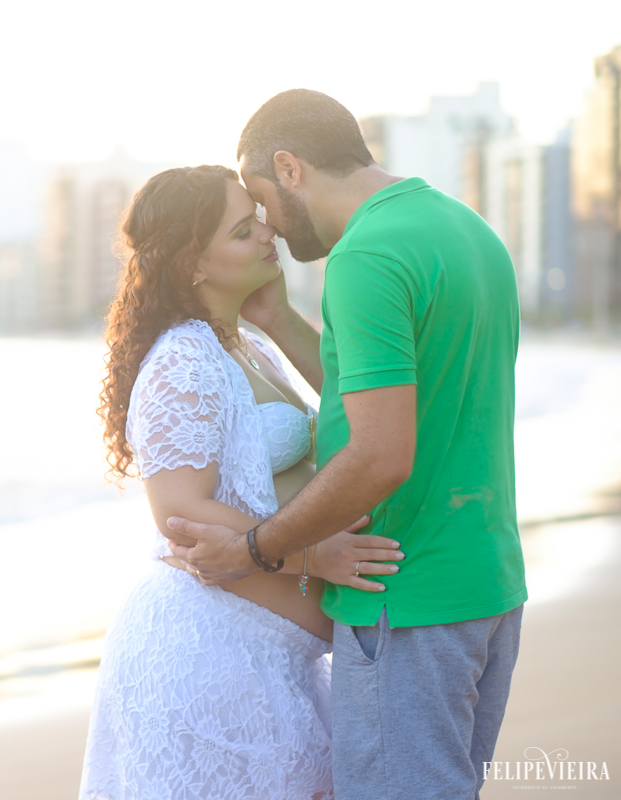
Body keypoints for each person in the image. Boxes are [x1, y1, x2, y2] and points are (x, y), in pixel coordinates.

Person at [165, 90, 526, 800]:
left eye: (262, 200)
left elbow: (380, 453)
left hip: (406, 599)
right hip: (486, 587)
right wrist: (277, 319)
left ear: (289, 167)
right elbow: (383, 390)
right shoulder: (461, 226)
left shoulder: (364, 258)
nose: (266, 222)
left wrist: (255, 549)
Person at [78, 164, 405, 800]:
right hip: (202, 658)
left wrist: (278, 316)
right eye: (240, 230)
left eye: (256, 218)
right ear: (191, 264)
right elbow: (180, 514)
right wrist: (317, 553)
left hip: (256, 657)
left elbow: (351, 413)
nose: (266, 233)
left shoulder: (243, 346)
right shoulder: (183, 358)